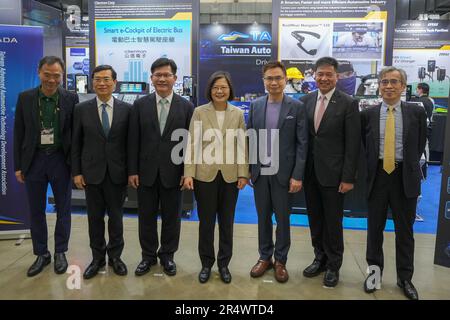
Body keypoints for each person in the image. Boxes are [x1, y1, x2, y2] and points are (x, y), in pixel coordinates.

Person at [361, 67, 427, 300]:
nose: (389, 86)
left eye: (394, 82)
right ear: (379, 86)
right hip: (377, 176)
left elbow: (419, 144)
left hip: (404, 177)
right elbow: (364, 146)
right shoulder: (368, 114)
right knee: (374, 230)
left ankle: (405, 278)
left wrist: (405, 165)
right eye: (384, 82)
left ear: (402, 86)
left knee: (405, 231)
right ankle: (374, 275)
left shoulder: (415, 113)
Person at [13, 56, 79, 277]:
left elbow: (75, 135)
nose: (52, 80)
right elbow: (19, 134)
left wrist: (76, 166)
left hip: (61, 160)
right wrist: (18, 166)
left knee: (63, 209)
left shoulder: (70, 98)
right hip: (34, 161)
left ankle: (61, 251)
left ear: (62, 75)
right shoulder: (26, 98)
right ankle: (41, 253)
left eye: (56, 75)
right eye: (47, 74)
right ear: (39, 72)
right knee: (36, 211)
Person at [128, 58, 194, 277]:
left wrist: (187, 173)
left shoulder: (186, 107)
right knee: (145, 217)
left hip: (173, 174)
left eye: (167, 75)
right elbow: (133, 140)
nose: (162, 79)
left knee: (171, 218)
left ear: (175, 78)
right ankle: (147, 256)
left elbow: (189, 143)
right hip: (145, 173)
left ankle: (167, 256)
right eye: (158, 75)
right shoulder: (140, 105)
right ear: (152, 78)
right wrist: (133, 170)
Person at [182, 71, 248, 284]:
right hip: (204, 176)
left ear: (230, 90)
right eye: (215, 87)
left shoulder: (237, 113)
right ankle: (206, 264)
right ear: (210, 90)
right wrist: (189, 174)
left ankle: (224, 264)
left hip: (230, 177)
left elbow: (242, 146)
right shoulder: (200, 112)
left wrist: (243, 174)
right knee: (206, 223)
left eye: (224, 87)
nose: (219, 91)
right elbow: (191, 144)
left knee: (227, 223)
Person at [300, 56, 361, 287]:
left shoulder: (348, 103)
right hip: (310, 173)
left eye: (329, 74)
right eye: (320, 74)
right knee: (315, 219)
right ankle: (319, 258)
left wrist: (348, 177)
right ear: (314, 75)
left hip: (335, 176)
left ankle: (334, 265)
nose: (324, 78)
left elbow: (353, 144)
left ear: (336, 77)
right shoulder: (305, 101)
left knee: (333, 222)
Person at [247, 61, 308, 283]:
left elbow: (303, 144)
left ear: (285, 80)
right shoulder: (256, 105)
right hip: (261, 174)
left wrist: (297, 175)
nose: (273, 82)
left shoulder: (296, 107)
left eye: (278, 78)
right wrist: (250, 170)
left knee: (283, 219)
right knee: (263, 217)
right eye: (269, 78)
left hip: (285, 175)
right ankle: (265, 257)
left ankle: (280, 260)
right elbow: (250, 138)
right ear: (264, 81)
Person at [71, 65, 131, 279]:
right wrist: (76, 172)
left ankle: (116, 257)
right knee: (94, 218)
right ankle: (97, 258)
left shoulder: (126, 109)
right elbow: (75, 143)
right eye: (98, 79)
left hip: (117, 173)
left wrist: (130, 172)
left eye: (106, 79)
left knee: (116, 218)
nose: (102, 83)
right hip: (91, 173)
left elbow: (130, 144)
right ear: (92, 82)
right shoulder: (81, 109)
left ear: (115, 82)